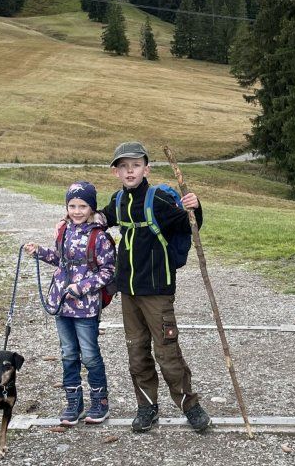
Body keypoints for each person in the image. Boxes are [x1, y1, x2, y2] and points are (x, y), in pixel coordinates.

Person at [100, 141, 211, 433]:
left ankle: (190, 405)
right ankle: (147, 407)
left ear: (146, 168)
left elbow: (189, 225)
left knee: (167, 353)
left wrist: (195, 208)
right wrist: (85, 218)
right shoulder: (119, 200)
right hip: (129, 293)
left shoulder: (158, 199)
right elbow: (104, 217)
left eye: (135, 165)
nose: (129, 171)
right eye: (123, 166)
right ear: (116, 172)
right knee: (136, 353)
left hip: (158, 292)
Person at [24, 181, 115, 426]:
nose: (77, 211)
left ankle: (100, 402)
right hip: (61, 303)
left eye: (82, 206)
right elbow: (60, 260)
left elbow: (108, 272)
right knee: (68, 354)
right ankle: (74, 402)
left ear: (92, 208)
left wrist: (81, 287)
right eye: (72, 205)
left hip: (85, 307)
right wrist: (40, 252)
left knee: (90, 355)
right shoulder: (64, 231)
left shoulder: (100, 237)